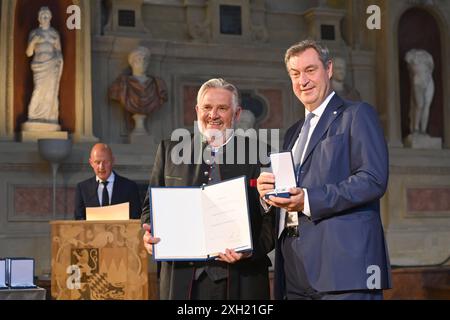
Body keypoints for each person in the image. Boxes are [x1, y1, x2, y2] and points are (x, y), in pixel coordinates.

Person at [257, 40, 391, 300]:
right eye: (295, 74)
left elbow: (373, 179)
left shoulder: (357, 114)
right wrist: (270, 195)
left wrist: (308, 199)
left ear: (328, 69)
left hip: (343, 267)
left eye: (310, 70)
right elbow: (292, 193)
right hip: (293, 268)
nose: (302, 80)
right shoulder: (293, 133)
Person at [141, 78, 275, 300]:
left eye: (222, 108)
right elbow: (149, 209)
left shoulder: (260, 153)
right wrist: (149, 234)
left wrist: (250, 250)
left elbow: (273, 217)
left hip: (242, 281)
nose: (213, 115)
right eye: (207, 107)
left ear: (237, 113)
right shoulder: (169, 150)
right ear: (196, 110)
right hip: (182, 281)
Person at [75, 143, 142, 220]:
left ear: (113, 161)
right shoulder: (82, 188)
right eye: (97, 162)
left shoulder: (130, 187)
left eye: (105, 162)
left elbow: (136, 218)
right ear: (91, 163)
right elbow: (79, 220)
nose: (101, 167)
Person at [25, 6, 63, 125]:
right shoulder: (34, 33)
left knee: (50, 91)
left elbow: (59, 52)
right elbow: (28, 53)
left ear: (50, 17)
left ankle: (49, 117)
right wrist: (33, 42)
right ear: (39, 19)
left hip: (51, 67)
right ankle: (33, 116)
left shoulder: (54, 34)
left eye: (47, 15)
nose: (45, 17)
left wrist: (58, 60)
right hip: (39, 66)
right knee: (38, 90)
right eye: (42, 16)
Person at [109, 46, 168, 116]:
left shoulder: (158, 84)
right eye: (138, 59)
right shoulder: (121, 83)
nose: (142, 62)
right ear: (132, 63)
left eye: (145, 59)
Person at [404, 49, 435, 135]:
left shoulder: (428, 56)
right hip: (418, 81)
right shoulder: (411, 56)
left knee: (427, 105)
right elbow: (410, 67)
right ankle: (416, 128)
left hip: (429, 80)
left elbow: (432, 67)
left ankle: (423, 130)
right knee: (419, 105)